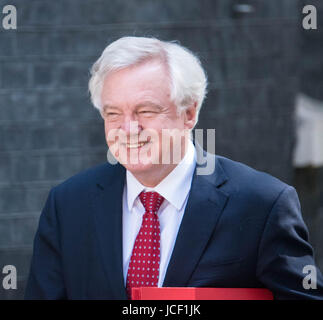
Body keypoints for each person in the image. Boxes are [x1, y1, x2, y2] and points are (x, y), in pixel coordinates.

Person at [25, 36, 323, 300]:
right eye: (113, 113)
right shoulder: (67, 205)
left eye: (146, 111)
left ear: (189, 113)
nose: (128, 129)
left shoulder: (263, 204)